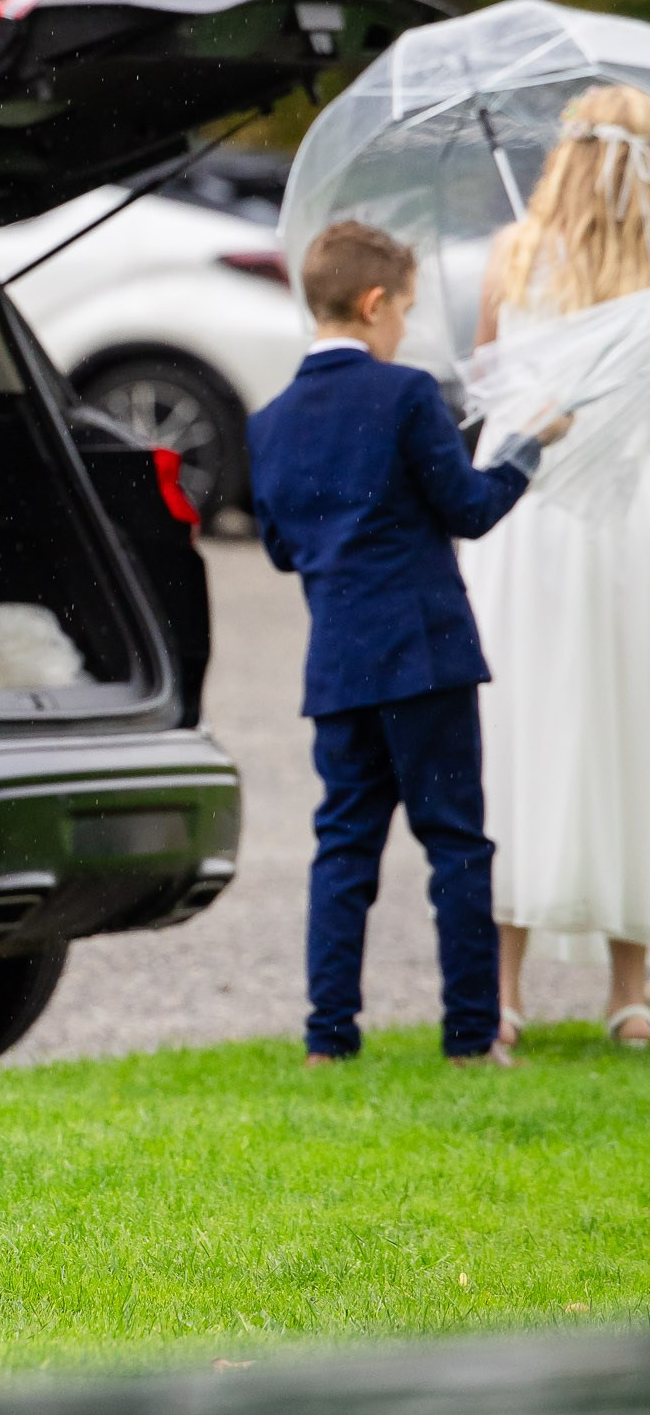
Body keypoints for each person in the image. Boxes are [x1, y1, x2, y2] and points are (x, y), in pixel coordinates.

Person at [246, 218, 564, 1069]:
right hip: (424, 656)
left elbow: (284, 548)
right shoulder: (408, 394)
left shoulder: (268, 422)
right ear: (374, 302)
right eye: (406, 311)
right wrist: (528, 450)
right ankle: (469, 1036)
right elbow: (467, 508)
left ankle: (327, 1040)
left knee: (344, 849)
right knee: (455, 842)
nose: (406, 330)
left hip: (338, 664)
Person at [464, 85, 650, 1051]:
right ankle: (632, 996)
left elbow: (488, 375)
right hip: (626, 524)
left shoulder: (512, 255)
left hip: (524, 518)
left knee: (518, 732)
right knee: (626, 726)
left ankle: (501, 996)